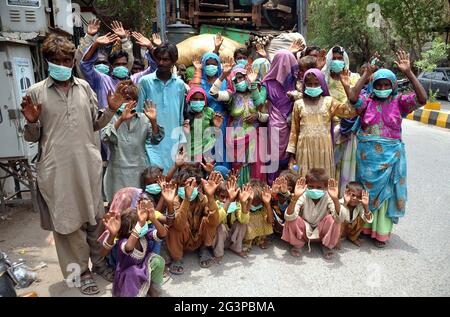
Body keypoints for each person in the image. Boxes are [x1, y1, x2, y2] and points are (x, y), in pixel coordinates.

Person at [21, 34, 125, 295]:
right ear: (47, 62)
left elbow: (96, 124)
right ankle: (80, 272)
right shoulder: (36, 92)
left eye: (66, 59)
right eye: (55, 60)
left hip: (87, 166)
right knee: (68, 224)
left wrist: (111, 110)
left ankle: (99, 262)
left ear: (72, 61)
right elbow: (31, 138)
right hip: (57, 169)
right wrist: (32, 122)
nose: (62, 64)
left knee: (95, 219)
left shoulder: (84, 88)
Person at [348, 50, 427, 248]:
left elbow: (423, 99)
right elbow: (352, 98)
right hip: (367, 159)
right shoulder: (367, 102)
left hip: (391, 158)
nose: (382, 88)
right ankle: (364, 228)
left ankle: (381, 233)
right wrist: (366, 75)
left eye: (386, 85)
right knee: (365, 193)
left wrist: (409, 73)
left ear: (392, 86)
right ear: (373, 87)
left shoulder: (400, 102)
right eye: (379, 85)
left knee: (386, 196)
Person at [101, 81, 164, 202]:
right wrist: (120, 120)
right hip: (116, 172)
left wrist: (154, 122)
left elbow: (156, 140)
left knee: (137, 207)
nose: (125, 102)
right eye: (122, 98)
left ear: (135, 101)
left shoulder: (144, 119)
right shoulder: (110, 117)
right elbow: (104, 137)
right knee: (117, 207)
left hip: (138, 171)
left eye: (128, 99)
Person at [287, 69, 357, 178]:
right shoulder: (298, 104)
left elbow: (350, 112)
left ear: (322, 84)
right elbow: (294, 132)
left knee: (323, 179)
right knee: (303, 180)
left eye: (316, 84)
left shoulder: (329, 102)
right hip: (304, 148)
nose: (313, 87)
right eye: (309, 84)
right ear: (304, 85)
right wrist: (291, 156)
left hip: (324, 148)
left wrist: (347, 87)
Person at [210, 61, 268, 186]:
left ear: (247, 77)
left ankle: (254, 196)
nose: (239, 81)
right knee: (238, 168)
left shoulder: (255, 93)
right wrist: (223, 76)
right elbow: (213, 94)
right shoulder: (231, 96)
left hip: (254, 137)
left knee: (255, 167)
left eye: (242, 77)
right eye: (236, 79)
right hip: (236, 138)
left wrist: (257, 115)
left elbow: (263, 111)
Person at [137, 43, 187, 173]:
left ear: (173, 61)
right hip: (151, 144)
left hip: (173, 143)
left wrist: (182, 143)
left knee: (171, 185)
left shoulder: (180, 85)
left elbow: (180, 117)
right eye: (158, 58)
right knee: (152, 183)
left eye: (166, 59)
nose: (161, 62)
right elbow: (139, 115)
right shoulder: (145, 82)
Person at [103, 198, 167, 297]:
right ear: (130, 230)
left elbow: (162, 234)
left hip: (142, 268)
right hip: (128, 276)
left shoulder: (143, 236)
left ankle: (150, 286)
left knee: (156, 260)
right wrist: (140, 224)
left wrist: (153, 219)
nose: (144, 224)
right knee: (133, 272)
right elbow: (129, 247)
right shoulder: (123, 242)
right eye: (141, 223)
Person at [80, 28, 157, 109]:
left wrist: (151, 47)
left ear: (127, 65)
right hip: (110, 120)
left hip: (133, 119)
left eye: (123, 64)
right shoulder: (102, 80)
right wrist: (95, 44)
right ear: (111, 66)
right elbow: (85, 65)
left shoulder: (136, 80)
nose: (121, 66)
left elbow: (155, 67)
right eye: (117, 64)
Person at [165, 169, 223, 274]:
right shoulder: (176, 201)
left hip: (198, 237)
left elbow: (214, 221)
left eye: (191, 184)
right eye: (184, 185)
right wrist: (186, 199)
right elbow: (178, 225)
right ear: (178, 187)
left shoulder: (203, 198)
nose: (188, 188)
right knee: (173, 227)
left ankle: (204, 249)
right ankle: (177, 258)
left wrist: (210, 197)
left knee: (208, 220)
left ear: (198, 187)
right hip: (184, 239)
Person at [322, 46, 361, 196]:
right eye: (334, 59)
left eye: (340, 59)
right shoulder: (323, 79)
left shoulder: (354, 78)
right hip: (329, 130)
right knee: (331, 165)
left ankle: (344, 199)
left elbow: (357, 102)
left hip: (349, 130)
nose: (337, 62)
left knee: (347, 166)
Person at [282, 168, 342, 259]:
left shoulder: (328, 196)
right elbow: (288, 217)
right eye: (311, 186)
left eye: (319, 187)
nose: (315, 190)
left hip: (321, 232)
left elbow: (339, 218)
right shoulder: (303, 194)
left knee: (333, 219)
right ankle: (297, 244)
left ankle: (327, 245)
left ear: (325, 187)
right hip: (304, 232)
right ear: (306, 185)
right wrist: (296, 197)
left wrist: (335, 198)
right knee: (292, 219)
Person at [262, 50, 299, 184]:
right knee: (275, 156)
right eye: (285, 63)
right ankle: (273, 185)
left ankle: (291, 185)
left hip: (293, 125)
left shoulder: (297, 82)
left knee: (293, 157)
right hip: (278, 126)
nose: (287, 66)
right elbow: (259, 102)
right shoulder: (267, 83)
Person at [190, 52, 230, 168]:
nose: (210, 67)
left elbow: (229, 100)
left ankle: (220, 175)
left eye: (214, 64)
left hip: (220, 120)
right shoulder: (199, 83)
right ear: (203, 65)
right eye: (207, 64)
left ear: (218, 66)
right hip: (203, 121)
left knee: (219, 149)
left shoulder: (224, 83)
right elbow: (192, 94)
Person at [213, 177, 251, 259]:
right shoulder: (216, 204)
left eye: (230, 197)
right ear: (217, 195)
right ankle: (218, 253)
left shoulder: (237, 205)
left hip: (231, 238)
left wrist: (243, 203)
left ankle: (237, 248)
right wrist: (229, 201)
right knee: (220, 227)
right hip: (220, 238)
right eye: (222, 197)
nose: (224, 200)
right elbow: (217, 220)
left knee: (241, 224)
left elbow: (245, 220)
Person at [183, 86, 224, 163]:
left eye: (201, 99)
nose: (198, 101)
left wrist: (216, 127)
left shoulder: (209, 112)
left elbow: (216, 134)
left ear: (205, 101)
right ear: (189, 100)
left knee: (207, 172)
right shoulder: (185, 114)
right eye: (195, 99)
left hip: (207, 152)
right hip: (191, 153)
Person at [337, 182, 372, 248]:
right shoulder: (339, 203)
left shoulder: (360, 205)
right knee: (339, 218)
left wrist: (366, 206)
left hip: (350, 228)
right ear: (346, 193)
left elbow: (367, 219)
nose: (355, 198)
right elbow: (337, 217)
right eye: (352, 195)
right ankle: (337, 239)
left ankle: (353, 237)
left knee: (362, 218)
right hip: (340, 231)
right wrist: (345, 203)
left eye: (358, 196)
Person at [242, 179, 274, 252]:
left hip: (261, 232)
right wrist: (249, 202)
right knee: (247, 219)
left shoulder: (263, 207)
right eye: (253, 201)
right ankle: (247, 242)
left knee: (263, 218)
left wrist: (268, 204)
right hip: (247, 230)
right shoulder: (243, 204)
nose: (255, 204)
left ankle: (262, 239)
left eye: (258, 201)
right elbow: (244, 218)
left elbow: (270, 221)